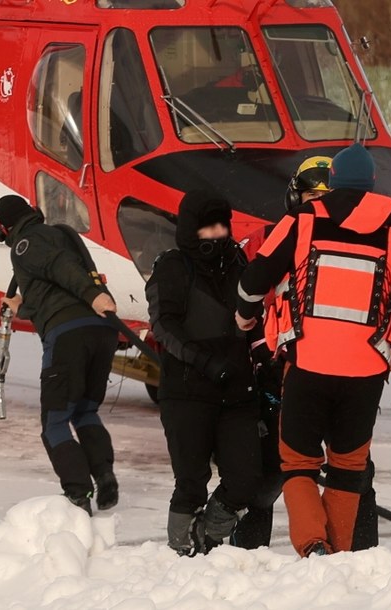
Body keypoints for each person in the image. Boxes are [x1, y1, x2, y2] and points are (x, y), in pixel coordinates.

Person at [236, 144, 391, 557]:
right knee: (348, 468)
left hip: (307, 365)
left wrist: (244, 316)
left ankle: (312, 544)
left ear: (335, 182)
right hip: (365, 374)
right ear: (371, 185)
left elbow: (255, 276)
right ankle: (340, 555)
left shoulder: (302, 221)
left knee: (297, 463)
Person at [232, 155, 381, 551]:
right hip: (274, 367)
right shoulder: (268, 238)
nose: (316, 204)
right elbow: (246, 297)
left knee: (353, 469)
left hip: (322, 368)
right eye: (310, 196)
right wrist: (260, 354)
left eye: (324, 196)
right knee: (267, 470)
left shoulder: (361, 241)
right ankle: (247, 554)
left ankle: (358, 551)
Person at [145, 191, 263, 556]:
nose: (216, 233)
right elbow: (164, 326)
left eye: (221, 225)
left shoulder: (239, 262)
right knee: (192, 483)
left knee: (244, 480)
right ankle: (181, 552)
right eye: (207, 226)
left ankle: (206, 538)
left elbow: (256, 319)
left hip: (238, 394)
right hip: (187, 392)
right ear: (190, 228)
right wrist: (205, 362)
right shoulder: (172, 266)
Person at [0, 194, 120, 516]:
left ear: (1, 229)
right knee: (86, 411)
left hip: (69, 335)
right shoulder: (60, 234)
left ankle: (78, 496)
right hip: (100, 331)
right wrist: (23, 304)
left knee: (55, 422)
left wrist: (95, 296)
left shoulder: (26, 245)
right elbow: (58, 281)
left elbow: (61, 269)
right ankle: (104, 475)